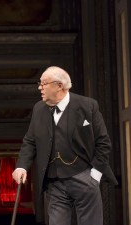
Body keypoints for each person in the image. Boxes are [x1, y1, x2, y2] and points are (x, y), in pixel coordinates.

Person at [12, 66, 118, 225]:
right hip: (55, 182)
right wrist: (21, 167)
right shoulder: (39, 108)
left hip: (84, 176)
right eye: (39, 83)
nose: (39, 87)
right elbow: (30, 141)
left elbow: (103, 142)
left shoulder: (87, 106)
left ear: (59, 86)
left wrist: (94, 176)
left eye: (44, 84)